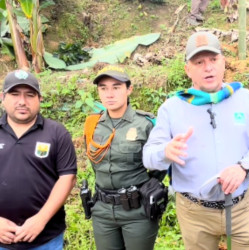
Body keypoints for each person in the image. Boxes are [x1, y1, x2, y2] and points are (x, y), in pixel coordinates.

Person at [143, 31, 249, 250]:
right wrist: (165, 152)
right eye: (199, 61)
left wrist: (244, 166)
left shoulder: (245, 99)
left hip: (241, 209)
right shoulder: (172, 108)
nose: (208, 67)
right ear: (188, 69)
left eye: (213, 59)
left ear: (223, 62)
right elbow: (149, 157)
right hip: (195, 212)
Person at [0, 70, 77, 249]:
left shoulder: (57, 133)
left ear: (39, 99)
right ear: (3, 97)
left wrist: (40, 220)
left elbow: (68, 178)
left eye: (29, 95)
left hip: (47, 239)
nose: (22, 101)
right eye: (14, 94)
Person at [84, 65, 159, 250]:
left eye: (116, 87)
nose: (109, 94)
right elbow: (96, 163)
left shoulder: (145, 124)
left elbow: (160, 163)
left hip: (137, 211)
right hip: (102, 211)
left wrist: (148, 190)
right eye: (103, 88)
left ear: (129, 89)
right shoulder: (93, 124)